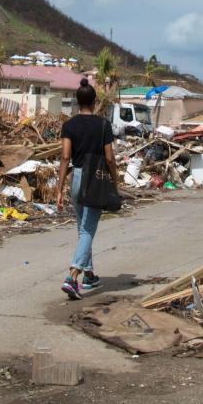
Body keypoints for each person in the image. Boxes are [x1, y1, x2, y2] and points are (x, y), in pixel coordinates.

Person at [55, 78, 120, 300]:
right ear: (94, 101)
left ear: (77, 101)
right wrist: (115, 180)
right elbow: (110, 157)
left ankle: (90, 275)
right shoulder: (103, 125)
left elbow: (65, 157)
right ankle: (72, 277)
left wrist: (59, 187)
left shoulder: (69, 125)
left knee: (83, 229)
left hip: (77, 177)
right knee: (88, 230)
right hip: (95, 180)